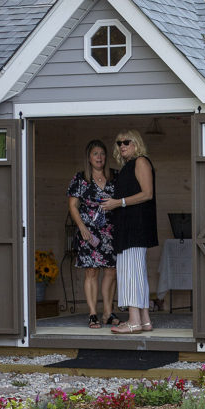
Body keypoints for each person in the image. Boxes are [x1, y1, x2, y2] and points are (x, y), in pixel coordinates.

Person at [101, 129, 157, 334]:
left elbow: (147, 193)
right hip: (127, 227)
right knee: (136, 273)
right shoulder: (128, 165)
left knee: (131, 273)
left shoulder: (141, 161)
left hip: (135, 227)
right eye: (119, 143)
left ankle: (133, 321)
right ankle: (144, 320)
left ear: (136, 143)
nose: (122, 145)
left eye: (127, 142)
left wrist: (118, 202)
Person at [67, 140, 119, 329]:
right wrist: (81, 227)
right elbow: (72, 205)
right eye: (95, 154)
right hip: (88, 232)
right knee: (91, 271)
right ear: (89, 157)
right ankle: (92, 314)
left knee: (111, 271)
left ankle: (108, 311)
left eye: (102, 154)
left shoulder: (115, 176)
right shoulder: (80, 178)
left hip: (110, 231)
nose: (99, 157)